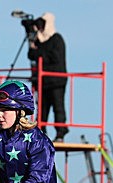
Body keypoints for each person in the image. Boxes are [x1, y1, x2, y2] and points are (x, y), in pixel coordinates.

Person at [27, 12, 68, 142]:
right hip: (43, 81)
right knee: (42, 109)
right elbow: (31, 55)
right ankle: (40, 133)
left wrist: (39, 52)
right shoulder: (39, 40)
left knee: (58, 107)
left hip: (56, 80)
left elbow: (54, 57)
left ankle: (60, 133)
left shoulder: (57, 39)